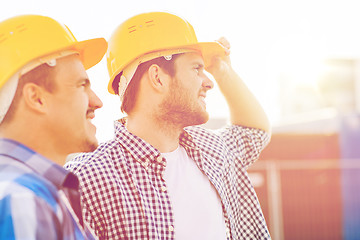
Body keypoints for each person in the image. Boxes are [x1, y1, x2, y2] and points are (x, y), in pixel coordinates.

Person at [65, 12, 271, 239]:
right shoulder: (86, 180)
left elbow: (255, 132)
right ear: (158, 78)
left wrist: (223, 70)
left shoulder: (211, 148)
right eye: (196, 69)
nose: (209, 82)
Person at [0, 14, 107, 239]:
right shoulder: (24, 200)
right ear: (37, 98)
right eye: (81, 85)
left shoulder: (37, 193)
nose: (97, 102)